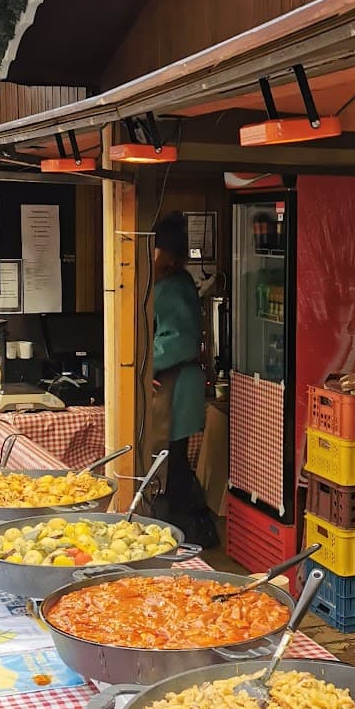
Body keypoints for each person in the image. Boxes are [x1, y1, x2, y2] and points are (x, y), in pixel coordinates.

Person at [150, 213, 209, 535]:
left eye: (155, 248)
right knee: (172, 460)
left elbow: (180, 340)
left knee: (172, 462)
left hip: (176, 384)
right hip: (170, 382)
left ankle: (179, 530)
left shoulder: (174, 286)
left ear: (168, 253)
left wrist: (146, 365)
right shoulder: (166, 281)